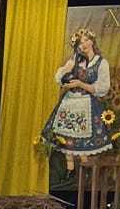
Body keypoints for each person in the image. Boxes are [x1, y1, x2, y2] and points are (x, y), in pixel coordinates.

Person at [39, 26, 114, 166]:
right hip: (70, 100)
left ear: (92, 41)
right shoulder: (75, 60)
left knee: (85, 129)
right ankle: (69, 161)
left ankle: (83, 159)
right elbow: (59, 78)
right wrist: (67, 70)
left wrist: (80, 84)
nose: (83, 44)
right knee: (67, 129)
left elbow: (102, 88)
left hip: (88, 102)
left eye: (86, 40)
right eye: (80, 42)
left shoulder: (101, 63)